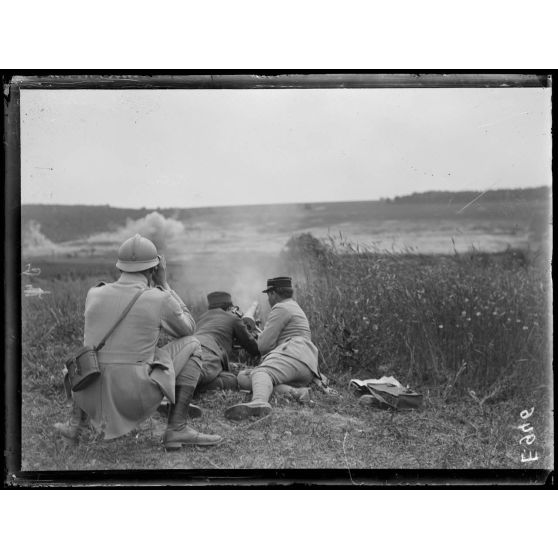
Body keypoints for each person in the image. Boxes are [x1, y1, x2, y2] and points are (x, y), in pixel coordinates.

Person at [54, 233, 222, 449]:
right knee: (193, 344)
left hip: (89, 391)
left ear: (120, 267)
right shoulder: (160, 298)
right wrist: (165, 284)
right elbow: (189, 328)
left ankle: (75, 425)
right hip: (132, 398)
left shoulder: (94, 293)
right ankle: (177, 429)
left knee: (93, 355)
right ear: (154, 269)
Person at [224, 276, 318, 420]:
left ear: (273, 293)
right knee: (244, 377)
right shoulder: (293, 306)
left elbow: (263, 346)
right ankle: (297, 392)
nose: (268, 299)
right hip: (306, 365)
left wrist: (254, 335)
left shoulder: (280, 308)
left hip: (293, 355)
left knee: (262, 373)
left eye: (268, 295)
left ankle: (259, 402)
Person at [194, 291, 260, 392]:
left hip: (190, 347)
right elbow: (254, 349)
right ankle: (192, 388)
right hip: (209, 352)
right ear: (229, 308)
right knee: (232, 381)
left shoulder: (201, 319)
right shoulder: (233, 318)